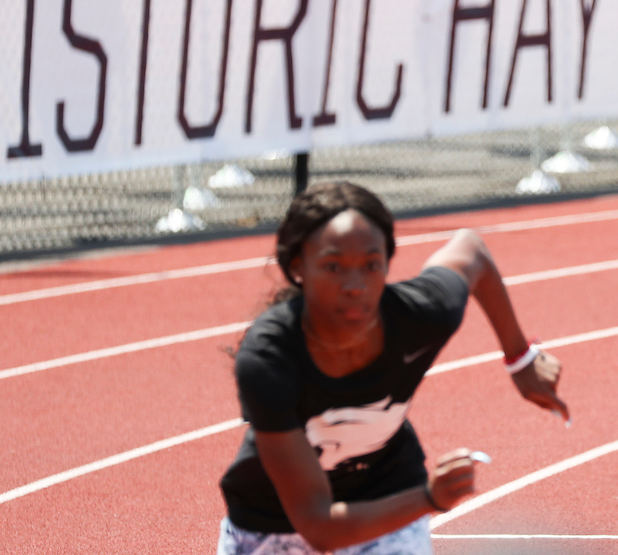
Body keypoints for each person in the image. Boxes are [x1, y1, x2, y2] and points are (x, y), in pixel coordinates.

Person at [218, 181, 569, 555]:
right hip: (272, 524)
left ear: (387, 261)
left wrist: (520, 359)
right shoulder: (269, 358)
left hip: (388, 505)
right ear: (297, 266)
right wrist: (429, 498)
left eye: (371, 265)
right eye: (333, 266)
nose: (355, 286)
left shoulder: (418, 315)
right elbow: (319, 525)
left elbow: (471, 250)